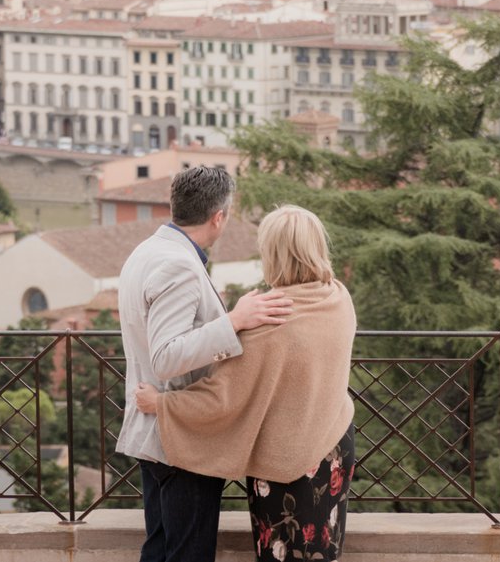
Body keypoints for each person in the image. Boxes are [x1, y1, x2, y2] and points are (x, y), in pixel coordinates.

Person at [137, 205, 357, 562]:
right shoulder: (338, 298)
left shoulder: (268, 325)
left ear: (273, 254)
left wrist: (161, 404)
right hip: (335, 446)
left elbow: (222, 400)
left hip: (287, 465)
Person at [117, 165, 293, 562]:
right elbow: (166, 356)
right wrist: (235, 320)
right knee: (188, 554)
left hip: (157, 428)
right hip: (182, 436)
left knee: (161, 548)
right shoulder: (177, 265)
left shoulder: (145, 251)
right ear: (219, 217)